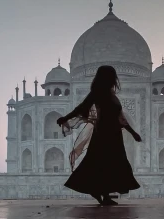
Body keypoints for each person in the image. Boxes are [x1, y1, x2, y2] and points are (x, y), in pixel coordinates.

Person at [57, 65, 142, 205]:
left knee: (112, 164)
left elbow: (121, 118)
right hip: (102, 133)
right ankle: (101, 193)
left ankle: (104, 194)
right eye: (112, 76)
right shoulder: (98, 92)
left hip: (114, 134)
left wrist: (133, 133)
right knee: (99, 163)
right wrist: (65, 118)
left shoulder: (111, 94)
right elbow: (82, 107)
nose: (115, 79)